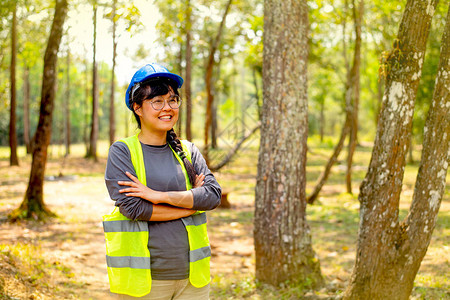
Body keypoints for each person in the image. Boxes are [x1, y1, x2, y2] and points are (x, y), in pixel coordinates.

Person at [103, 63, 221, 299]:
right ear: (137, 107)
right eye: (157, 101)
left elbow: (213, 195)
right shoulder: (123, 151)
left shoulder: (188, 150)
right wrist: (191, 206)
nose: (167, 108)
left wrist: (158, 196)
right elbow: (134, 208)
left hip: (193, 280)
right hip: (146, 282)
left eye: (173, 100)